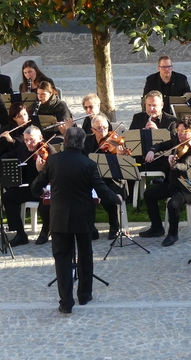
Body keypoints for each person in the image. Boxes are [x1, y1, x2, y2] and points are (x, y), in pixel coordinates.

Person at [30, 127, 122, 314]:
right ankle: (84, 295)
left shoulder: (53, 161)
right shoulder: (88, 164)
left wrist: (42, 193)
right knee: (85, 255)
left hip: (59, 217)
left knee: (62, 259)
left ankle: (65, 302)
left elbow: (36, 186)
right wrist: (116, 198)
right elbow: (102, 190)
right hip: (83, 216)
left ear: (64, 142)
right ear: (82, 143)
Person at [138, 115, 191, 247]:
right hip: (173, 183)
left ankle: (173, 234)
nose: (180, 135)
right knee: (148, 195)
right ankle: (157, 228)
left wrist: (173, 164)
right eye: (178, 130)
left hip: (187, 187)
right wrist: (152, 150)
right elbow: (161, 144)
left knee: (173, 204)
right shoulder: (176, 141)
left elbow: (184, 166)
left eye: (184, 132)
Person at [1, 126, 56, 247]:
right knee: (7, 197)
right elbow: (9, 155)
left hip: (46, 188)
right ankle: (20, 234)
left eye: (32, 140)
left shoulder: (50, 151)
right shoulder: (23, 147)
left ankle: (45, 231)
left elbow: (56, 175)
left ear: (41, 138)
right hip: (30, 187)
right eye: (26, 140)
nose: (28, 143)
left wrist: (41, 171)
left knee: (45, 205)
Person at [83, 114, 129, 240]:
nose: (102, 130)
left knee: (107, 195)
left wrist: (120, 156)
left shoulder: (115, 141)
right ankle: (91, 228)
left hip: (113, 180)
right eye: (98, 128)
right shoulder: (87, 142)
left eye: (104, 127)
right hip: (92, 179)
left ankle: (114, 224)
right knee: (81, 194)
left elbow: (124, 166)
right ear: (92, 130)